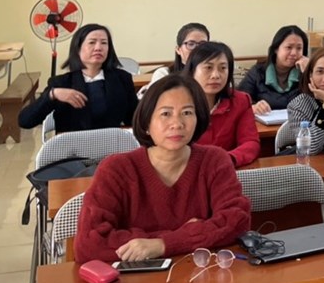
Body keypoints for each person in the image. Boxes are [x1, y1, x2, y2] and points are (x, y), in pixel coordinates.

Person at [75, 74, 251, 263]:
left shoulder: (215, 160)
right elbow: (89, 244)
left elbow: (237, 222)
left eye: (187, 113)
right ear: (146, 123)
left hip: (199, 273)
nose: (177, 124)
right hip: (133, 279)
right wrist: (190, 234)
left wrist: (162, 244)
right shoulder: (116, 169)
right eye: (166, 114)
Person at [19, 23, 138, 133]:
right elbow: (25, 121)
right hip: (73, 146)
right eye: (92, 42)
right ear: (78, 48)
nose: (98, 47)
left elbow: (134, 118)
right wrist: (52, 94)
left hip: (113, 144)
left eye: (104, 43)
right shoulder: (62, 83)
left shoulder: (122, 78)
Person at [186, 41, 260, 167]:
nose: (216, 75)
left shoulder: (240, 100)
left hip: (227, 169)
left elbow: (251, 143)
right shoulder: (178, 102)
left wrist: (226, 160)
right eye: (208, 68)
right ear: (192, 71)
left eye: (223, 68)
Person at [239, 25, 309, 115]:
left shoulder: (305, 72)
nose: (294, 53)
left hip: (299, 123)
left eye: (299, 48)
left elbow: (318, 101)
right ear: (276, 49)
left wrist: (310, 72)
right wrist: (253, 107)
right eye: (289, 47)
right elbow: (239, 101)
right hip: (264, 123)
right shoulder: (257, 72)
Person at [138, 22, 210, 98]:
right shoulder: (164, 74)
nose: (197, 49)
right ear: (178, 49)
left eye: (203, 44)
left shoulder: (214, 74)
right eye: (191, 44)